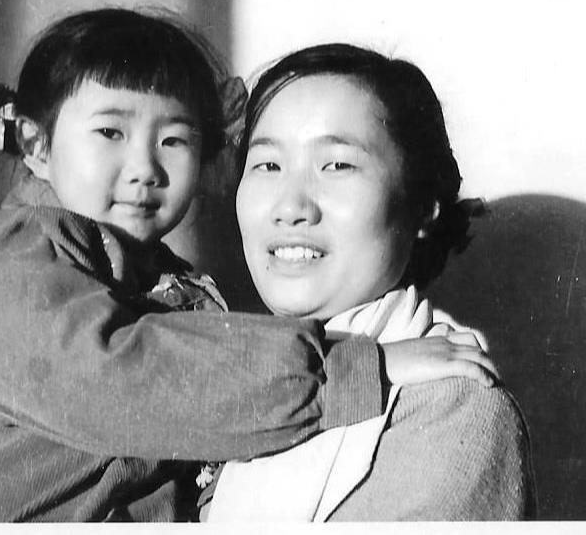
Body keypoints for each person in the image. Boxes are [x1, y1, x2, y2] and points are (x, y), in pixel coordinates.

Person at [0, 11, 499, 522]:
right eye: (110, 132)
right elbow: (117, 380)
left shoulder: (188, 297)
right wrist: (353, 370)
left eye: (175, 138)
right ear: (37, 146)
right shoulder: (16, 252)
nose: (144, 167)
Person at [202, 44, 535, 521]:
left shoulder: (452, 405)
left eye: (337, 165)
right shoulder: (218, 382)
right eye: (268, 165)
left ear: (422, 205)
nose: (291, 206)